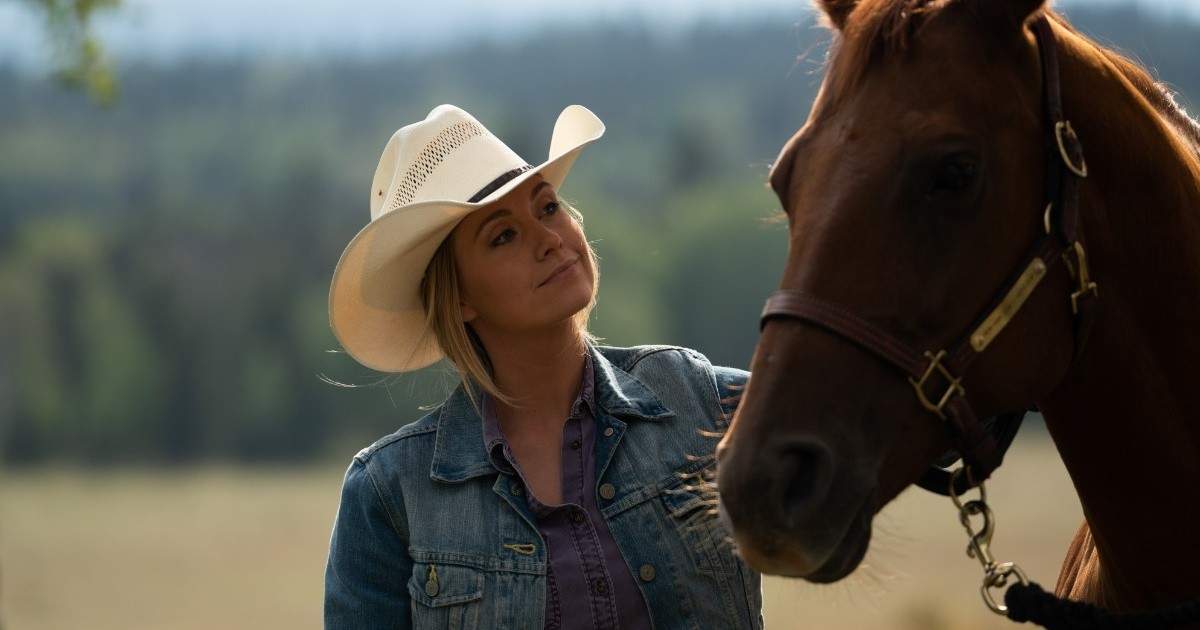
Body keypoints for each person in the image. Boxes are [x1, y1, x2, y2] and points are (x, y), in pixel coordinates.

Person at [323, 103, 761, 629]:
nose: (550, 240)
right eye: (503, 236)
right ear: (458, 297)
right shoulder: (391, 493)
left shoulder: (690, 398)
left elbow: (853, 410)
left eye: (548, 207)